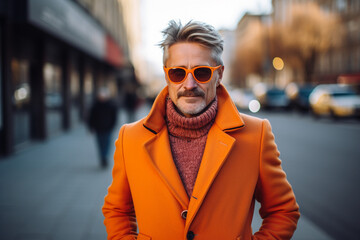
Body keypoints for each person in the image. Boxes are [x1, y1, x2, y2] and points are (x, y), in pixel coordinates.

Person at [102, 20, 300, 240]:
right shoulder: (131, 138)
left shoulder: (257, 135)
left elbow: (283, 210)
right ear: (167, 75)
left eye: (202, 72)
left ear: (219, 75)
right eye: (178, 73)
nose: (189, 84)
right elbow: (117, 211)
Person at [88, 87, 117, 168]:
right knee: (100, 143)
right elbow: (91, 117)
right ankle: (102, 157)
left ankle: (105, 157)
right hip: (98, 128)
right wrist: (91, 127)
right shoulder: (95, 105)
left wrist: (113, 125)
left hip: (108, 128)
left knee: (107, 143)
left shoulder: (111, 105)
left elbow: (114, 116)